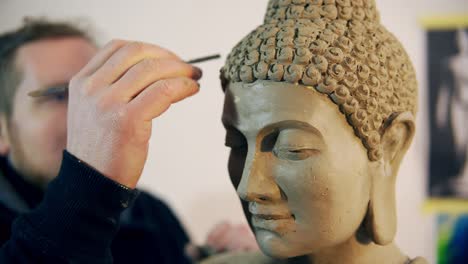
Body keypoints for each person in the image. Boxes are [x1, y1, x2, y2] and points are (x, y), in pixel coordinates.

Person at [0, 18, 257, 263]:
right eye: (58, 95)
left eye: (97, 88)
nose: (90, 109)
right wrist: (88, 182)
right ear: (2, 130)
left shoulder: (151, 213)